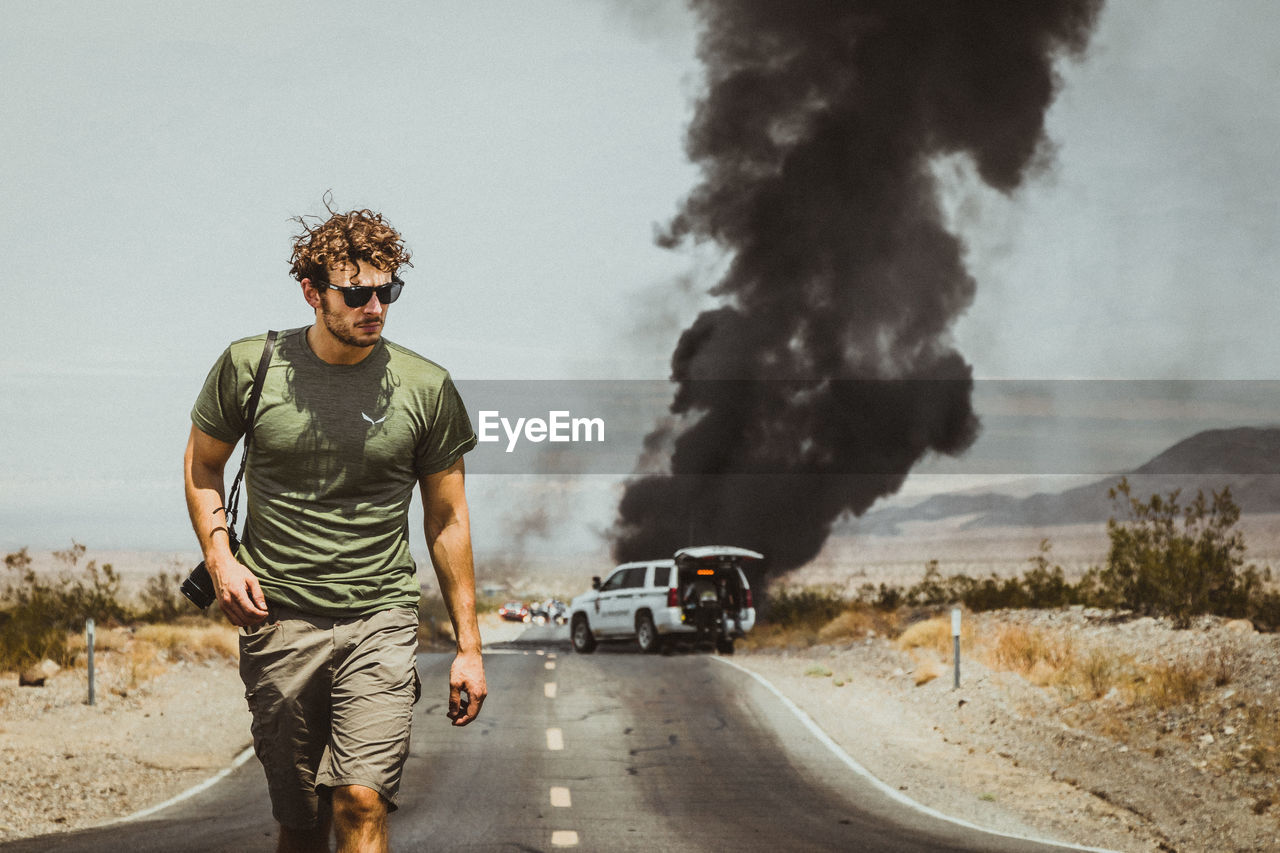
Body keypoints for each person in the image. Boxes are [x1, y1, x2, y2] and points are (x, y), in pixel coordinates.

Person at [183, 203, 486, 853]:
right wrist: (221, 559)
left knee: (360, 799)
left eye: (387, 291)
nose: (374, 306)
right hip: (279, 619)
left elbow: (447, 517)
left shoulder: (426, 387)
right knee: (302, 820)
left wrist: (469, 646)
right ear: (312, 292)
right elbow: (204, 466)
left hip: (380, 618)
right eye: (356, 293)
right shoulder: (249, 366)